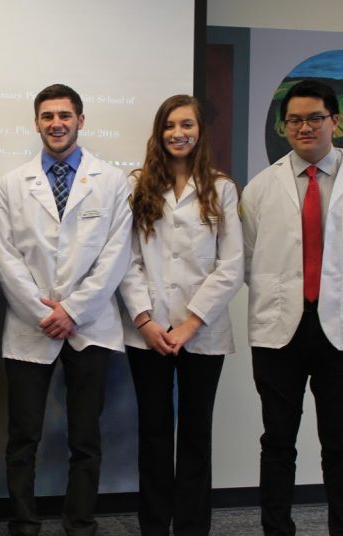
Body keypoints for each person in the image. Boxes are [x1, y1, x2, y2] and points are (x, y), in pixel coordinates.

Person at [241, 79, 343, 536]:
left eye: (314, 118)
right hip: (279, 331)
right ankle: (277, 530)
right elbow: (248, 260)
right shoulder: (260, 188)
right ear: (284, 126)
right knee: (277, 443)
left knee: (340, 444)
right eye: (294, 120)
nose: (304, 127)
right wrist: (289, 294)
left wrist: (339, 294)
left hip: (341, 332)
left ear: (335, 122)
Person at [0, 83, 133, 536]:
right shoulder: (12, 185)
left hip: (89, 325)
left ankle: (80, 522)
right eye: (48, 116)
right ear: (36, 122)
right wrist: (42, 312)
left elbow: (116, 255)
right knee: (23, 436)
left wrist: (72, 310)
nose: (56, 123)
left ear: (81, 120)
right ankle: (24, 523)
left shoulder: (111, 182)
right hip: (30, 326)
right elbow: (5, 256)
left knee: (85, 437)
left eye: (65, 115)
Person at [118, 95, 243, 536]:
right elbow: (127, 261)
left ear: (200, 131)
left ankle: (191, 528)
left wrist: (190, 323)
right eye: (170, 125)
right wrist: (145, 321)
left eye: (187, 124)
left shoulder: (221, 188)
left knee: (195, 435)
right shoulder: (137, 186)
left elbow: (231, 266)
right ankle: (154, 526)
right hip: (147, 334)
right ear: (159, 132)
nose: (178, 133)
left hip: (202, 334)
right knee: (153, 435)